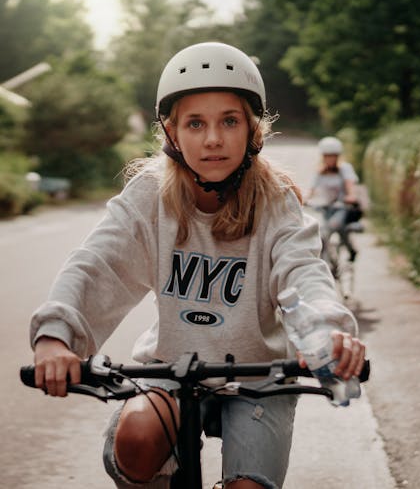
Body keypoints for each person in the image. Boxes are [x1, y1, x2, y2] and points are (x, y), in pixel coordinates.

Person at [30, 42, 366, 489]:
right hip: (172, 367)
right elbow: (97, 263)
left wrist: (328, 332)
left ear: (253, 130)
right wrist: (57, 337)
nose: (213, 138)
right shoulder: (150, 197)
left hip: (260, 376)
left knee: (248, 487)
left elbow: (304, 271)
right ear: (172, 133)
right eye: (195, 123)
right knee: (136, 436)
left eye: (229, 120)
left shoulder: (275, 202)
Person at [307, 136, 360, 264]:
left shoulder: (344, 169)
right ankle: (325, 262)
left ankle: (351, 249)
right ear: (323, 156)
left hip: (342, 208)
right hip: (326, 209)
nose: (329, 158)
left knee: (334, 228)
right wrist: (304, 200)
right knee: (323, 233)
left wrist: (351, 196)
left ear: (337, 156)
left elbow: (350, 185)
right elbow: (311, 191)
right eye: (327, 155)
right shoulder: (320, 172)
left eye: (333, 155)